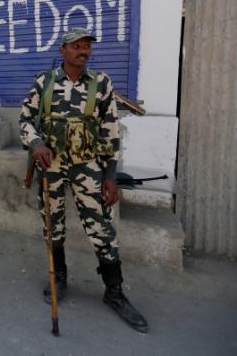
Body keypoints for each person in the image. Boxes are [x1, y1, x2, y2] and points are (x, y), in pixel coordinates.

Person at [19, 27, 148, 333]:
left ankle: (114, 292)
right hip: (51, 164)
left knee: (101, 227)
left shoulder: (101, 84)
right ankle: (59, 276)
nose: (83, 51)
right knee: (53, 224)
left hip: (88, 165)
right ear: (62, 50)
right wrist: (36, 143)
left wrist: (110, 175)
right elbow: (25, 118)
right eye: (76, 46)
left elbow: (110, 130)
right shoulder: (44, 81)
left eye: (86, 47)